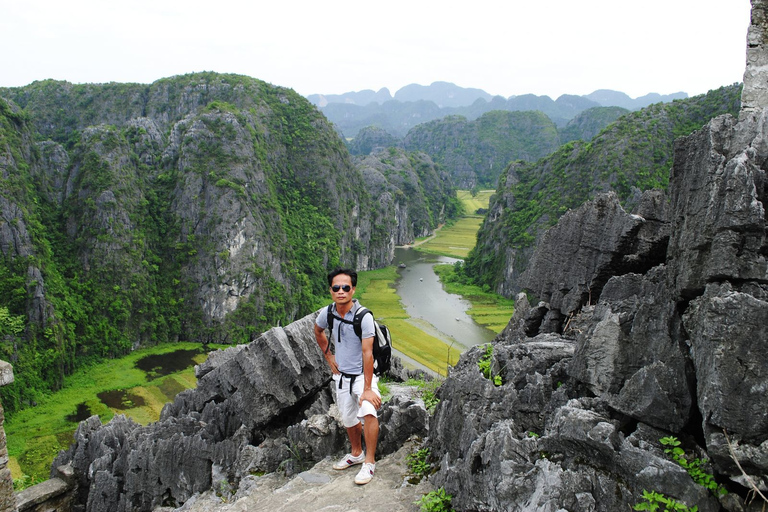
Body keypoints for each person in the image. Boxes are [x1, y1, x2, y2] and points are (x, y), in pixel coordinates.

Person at [314, 267, 382, 485]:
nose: (341, 291)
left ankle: (369, 462)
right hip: (341, 375)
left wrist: (368, 388)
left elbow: (368, 353)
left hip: (363, 375)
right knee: (348, 418)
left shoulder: (364, 317)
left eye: (345, 287)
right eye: (336, 287)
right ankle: (356, 453)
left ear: (353, 289)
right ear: (331, 290)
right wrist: (328, 356)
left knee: (368, 411)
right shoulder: (328, 313)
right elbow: (318, 331)